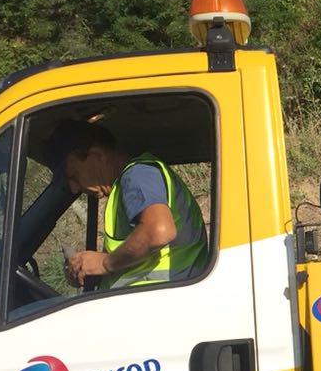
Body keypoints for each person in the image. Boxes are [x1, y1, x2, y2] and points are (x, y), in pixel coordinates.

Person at [45, 120, 209, 289]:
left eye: (73, 176)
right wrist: (86, 266)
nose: (73, 188)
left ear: (96, 155)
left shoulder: (137, 174)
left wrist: (104, 262)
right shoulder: (124, 187)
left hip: (166, 298)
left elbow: (159, 231)